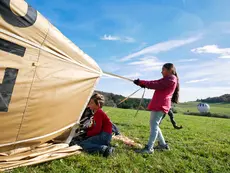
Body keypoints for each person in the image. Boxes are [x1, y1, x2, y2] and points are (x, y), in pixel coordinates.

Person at [133, 63, 179, 154]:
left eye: (163, 69)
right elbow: (155, 82)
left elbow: (157, 85)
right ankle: (162, 145)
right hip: (160, 104)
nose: (161, 71)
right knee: (155, 125)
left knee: (153, 125)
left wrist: (142, 82)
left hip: (161, 105)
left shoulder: (171, 79)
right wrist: (142, 83)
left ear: (170, 70)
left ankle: (149, 148)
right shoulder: (168, 79)